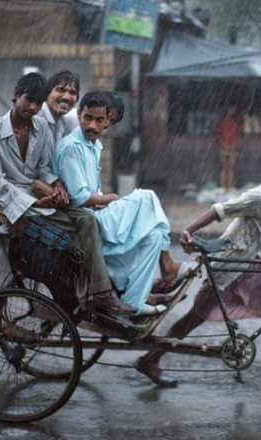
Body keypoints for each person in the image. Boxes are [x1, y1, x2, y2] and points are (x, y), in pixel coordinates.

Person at [135, 150, 261, 387]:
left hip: (249, 263)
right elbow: (221, 209)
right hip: (229, 264)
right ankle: (149, 359)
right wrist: (189, 230)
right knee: (193, 319)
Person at [0, 73, 132, 321]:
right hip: (16, 204)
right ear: (16, 96)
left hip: (43, 196)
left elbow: (43, 166)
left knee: (88, 219)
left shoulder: (40, 127)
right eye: (27, 100)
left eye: (36, 103)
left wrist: (57, 184)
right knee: (82, 231)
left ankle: (103, 291)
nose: (31, 107)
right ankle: (96, 292)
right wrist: (33, 201)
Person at [54, 91, 193, 316]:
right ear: (79, 115)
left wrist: (105, 200)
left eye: (99, 120)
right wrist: (110, 199)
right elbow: (80, 198)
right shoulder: (71, 147)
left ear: (108, 121)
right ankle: (167, 267)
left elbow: (92, 190)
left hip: (97, 213)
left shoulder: (95, 146)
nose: (92, 125)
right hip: (83, 221)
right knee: (146, 197)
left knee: (155, 236)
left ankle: (135, 301)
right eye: (87, 117)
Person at [36, 70, 80, 147]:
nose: (66, 97)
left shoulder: (64, 122)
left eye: (72, 93)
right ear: (47, 93)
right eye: (61, 90)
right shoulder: (37, 119)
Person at [215, 105, 241, 190]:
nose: (231, 111)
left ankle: (229, 187)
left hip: (231, 146)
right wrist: (223, 144)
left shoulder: (236, 122)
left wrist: (233, 145)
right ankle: (223, 187)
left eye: (233, 109)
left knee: (230, 168)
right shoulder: (221, 122)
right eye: (230, 109)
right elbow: (218, 135)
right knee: (224, 167)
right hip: (224, 146)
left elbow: (238, 136)